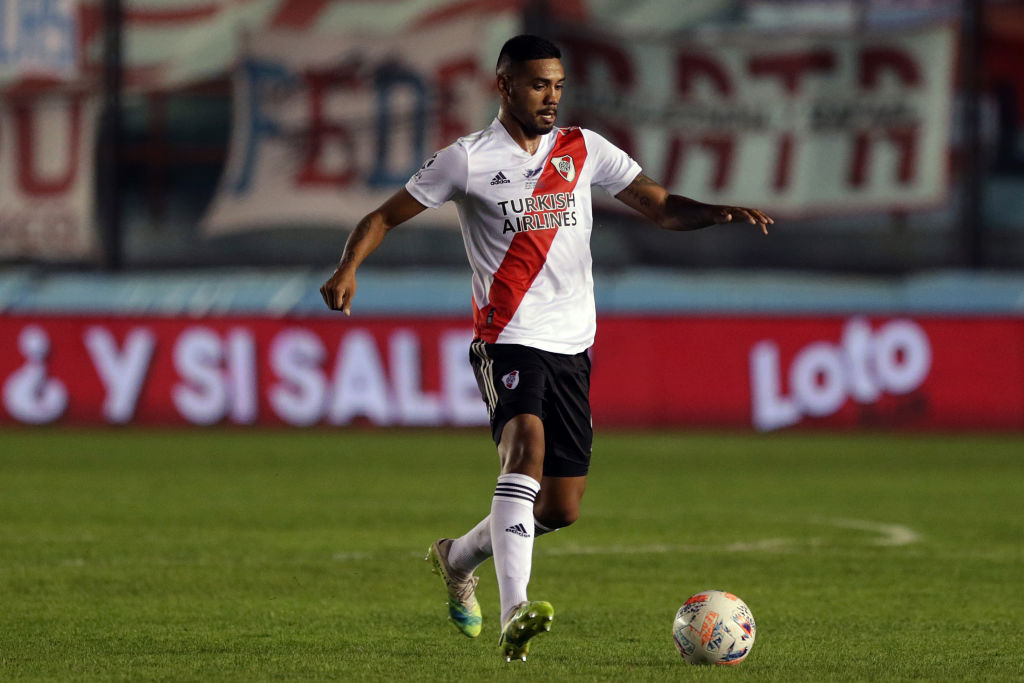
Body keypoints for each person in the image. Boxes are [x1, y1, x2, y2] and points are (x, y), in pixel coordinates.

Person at [320, 34, 772, 662]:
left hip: (573, 346)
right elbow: (382, 217)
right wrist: (347, 270)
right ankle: (515, 613)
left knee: (560, 508)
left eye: (558, 85)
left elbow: (660, 206)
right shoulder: (466, 159)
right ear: (504, 86)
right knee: (523, 449)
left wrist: (716, 213)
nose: (551, 97)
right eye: (538, 85)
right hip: (506, 339)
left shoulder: (583, 149)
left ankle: (456, 557)